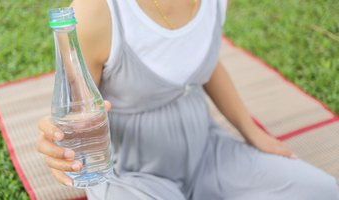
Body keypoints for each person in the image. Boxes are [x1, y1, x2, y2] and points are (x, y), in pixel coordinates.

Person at [36, 0, 339, 199]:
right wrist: (60, 143)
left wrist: (252, 131)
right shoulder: (97, 11)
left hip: (206, 152)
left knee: (321, 191)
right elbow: (74, 108)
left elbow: (206, 63)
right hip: (128, 172)